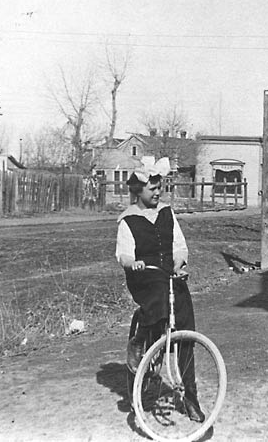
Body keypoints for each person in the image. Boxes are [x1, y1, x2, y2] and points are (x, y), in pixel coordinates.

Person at [115, 156, 205, 422]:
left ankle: (190, 397)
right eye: (152, 188)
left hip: (169, 275)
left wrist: (179, 260)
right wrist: (134, 262)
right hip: (144, 278)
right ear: (137, 191)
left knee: (186, 324)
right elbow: (123, 255)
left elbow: (179, 244)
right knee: (157, 299)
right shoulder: (128, 220)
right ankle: (141, 341)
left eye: (160, 187)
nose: (158, 192)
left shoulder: (167, 213)